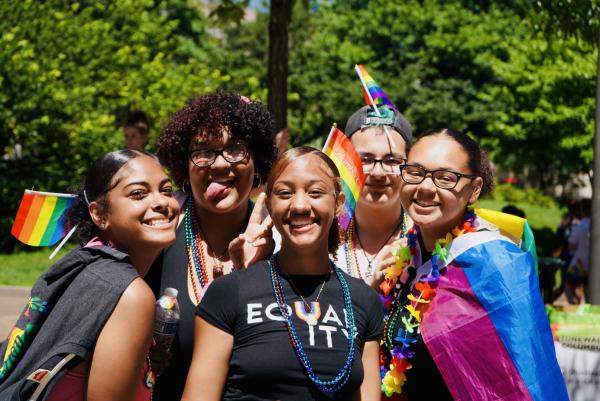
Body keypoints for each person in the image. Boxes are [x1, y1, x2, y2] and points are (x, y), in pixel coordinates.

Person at [378, 128, 568, 400]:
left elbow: (527, 375)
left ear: (475, 189)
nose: (425, 187)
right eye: (415, 172)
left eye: (445, 178)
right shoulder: (407, 260)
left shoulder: (497, 264)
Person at [182, 147, 384, 400]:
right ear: (269, 204)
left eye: (315, 192)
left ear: (338, 204)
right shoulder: (230, 292)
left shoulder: (363, 300)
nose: (299, 205)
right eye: (285, 193)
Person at [0, 149, 180, 401]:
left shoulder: (84, 265)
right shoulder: (130, 294)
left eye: (166, 190)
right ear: (99, 214)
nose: (162, 202)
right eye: (138, 193)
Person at [145, 91, 277, 400]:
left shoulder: (283, 239)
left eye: (236, 149)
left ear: (257, 161)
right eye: (203, 152)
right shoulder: (157, 237)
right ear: (183, 165)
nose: (219, 165)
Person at [336, 105, 413, 290]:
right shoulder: (323, 238)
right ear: (348, 161)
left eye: (392, 160)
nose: (378, 172)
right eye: (366, 159)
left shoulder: (425, 240)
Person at [565, 198, 591, 304]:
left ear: (582, 211)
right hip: (594, 267)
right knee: (588, 289)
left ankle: (574, 305)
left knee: (568, 286)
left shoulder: (579, 227)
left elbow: (571, 246)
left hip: (579, 264)